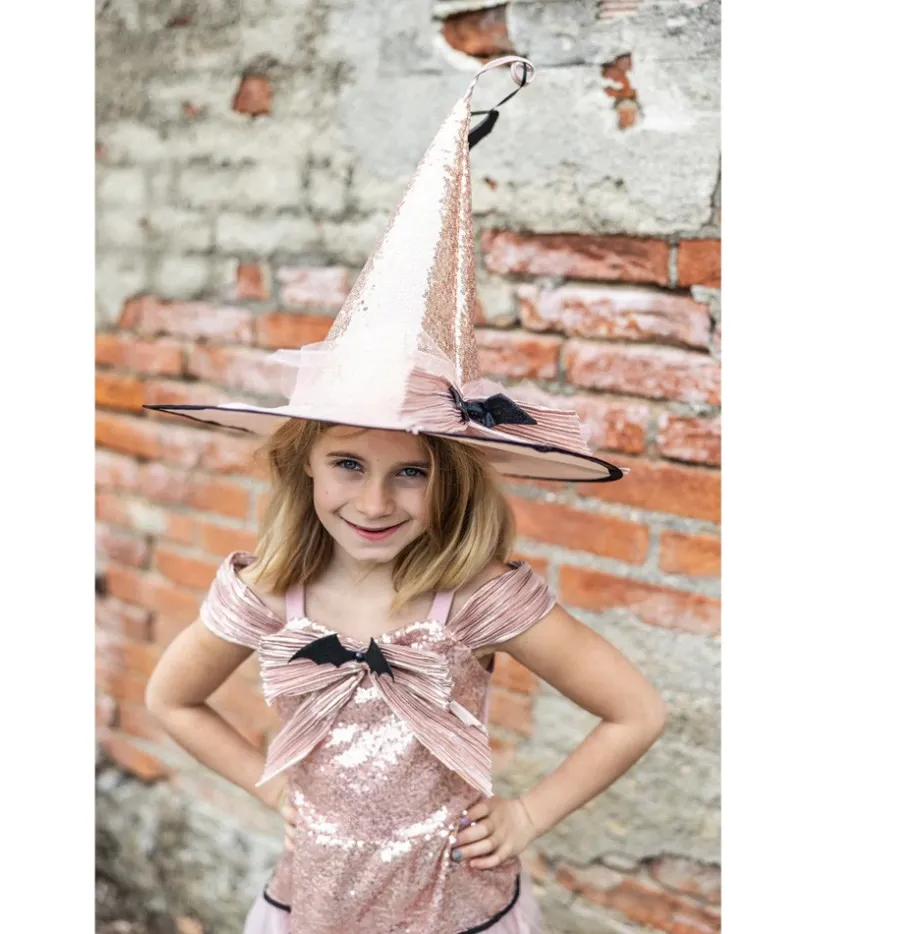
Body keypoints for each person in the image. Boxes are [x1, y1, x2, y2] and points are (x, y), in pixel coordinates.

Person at [144, 56, 667, 934]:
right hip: (317, 903)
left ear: (449, 479)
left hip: (454, 909)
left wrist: (526, 814)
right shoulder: (269, 590)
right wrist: (272, 790)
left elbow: (636, 710)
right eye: (348, 465)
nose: (376, 501)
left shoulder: (476, 598)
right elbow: (171, 699)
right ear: (303, 467)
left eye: (412, 471)